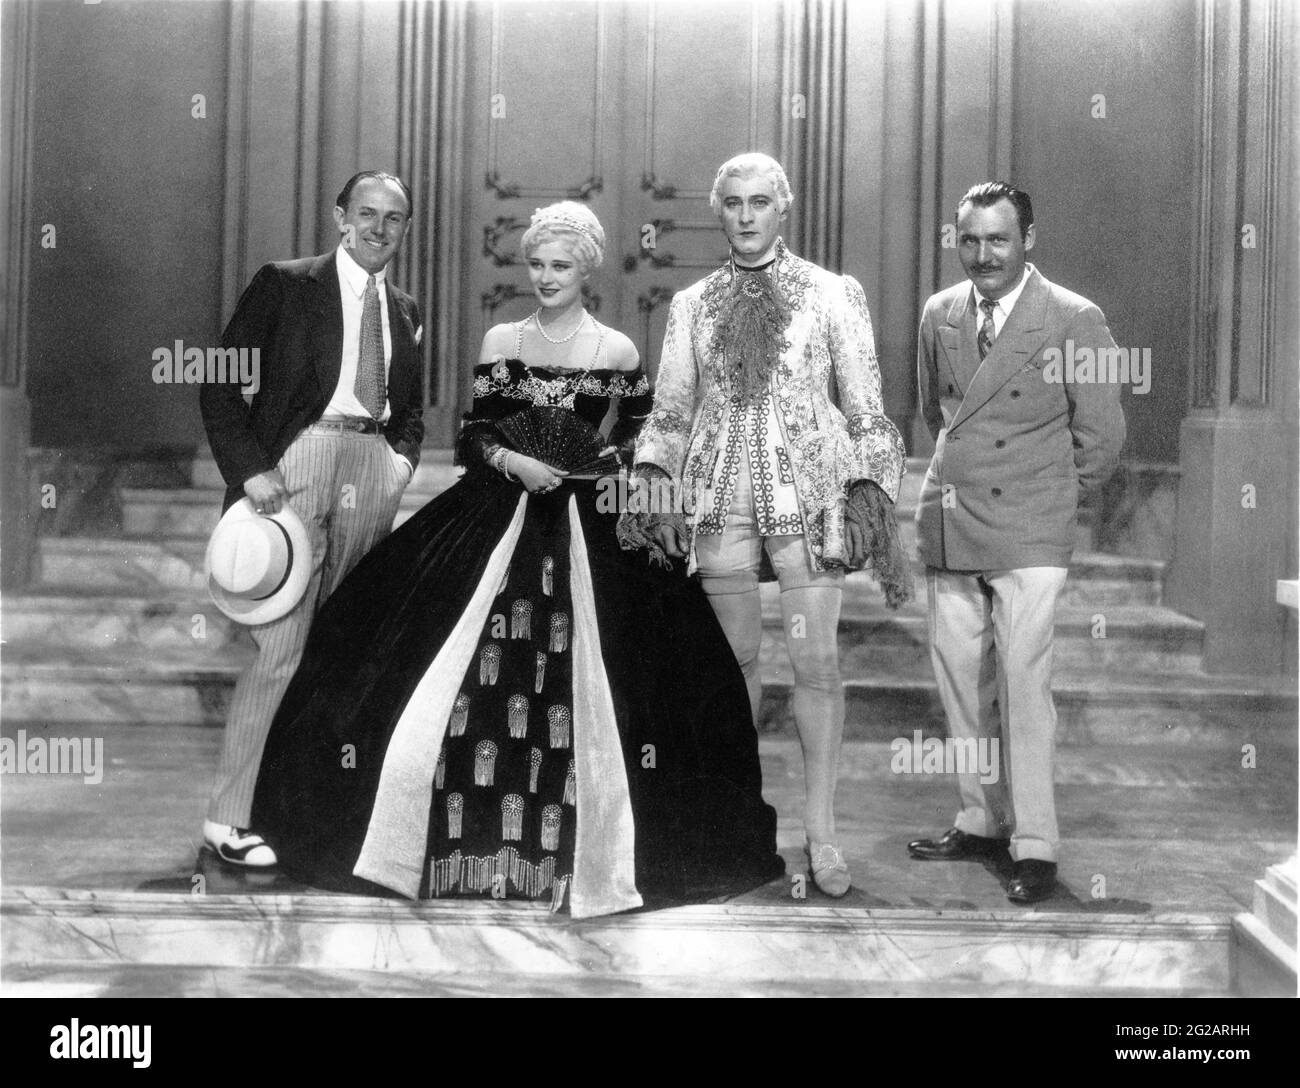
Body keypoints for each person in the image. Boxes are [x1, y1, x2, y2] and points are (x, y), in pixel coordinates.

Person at [250, 201, 785, 917]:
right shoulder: (504, 337)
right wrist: (513, 459)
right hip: (496, 511)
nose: (546, 276)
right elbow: (473, 436)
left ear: (586, 270)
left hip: (585, 523)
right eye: (536, 264)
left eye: (560, 266)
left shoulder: (619, 350)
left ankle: (585, 849)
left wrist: (598, 468)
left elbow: (637, 447)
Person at [620, 153, 910, 898]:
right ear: (718, 212)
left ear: (783, 208)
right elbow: (674, 411)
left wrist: (870, 488)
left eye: (760, 203)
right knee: (732, 669)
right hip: (720, 501)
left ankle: (822, 835)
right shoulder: (693, 304)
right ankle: (735, 825)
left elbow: (870, 408)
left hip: (810, 502)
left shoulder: (830, 293)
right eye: (734, 204)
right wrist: (652, 479)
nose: (747, 217)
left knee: (815, 667)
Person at [907, 181, 1125, 903]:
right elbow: (934, 410)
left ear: (1028, 238)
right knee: (962, 686)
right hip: (953, 516)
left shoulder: (1073, 318)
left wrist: (1052, 501)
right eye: (969, 240)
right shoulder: (940, 312)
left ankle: (1034, 844)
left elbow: (1101, 436)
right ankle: (979, 818)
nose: (982, 255)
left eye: (998, 239)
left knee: (1026, 689)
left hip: (1030, 526)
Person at [198, 171, 424, 867]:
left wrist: (400, 466)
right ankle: (229, 820)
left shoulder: (408, 309)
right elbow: (219, 381)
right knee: (280, 650)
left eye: (394, 219)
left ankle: (304, 814)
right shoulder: (286, 283)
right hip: (296, 467)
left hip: (371, 467)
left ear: (404, 229)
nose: (379, 229)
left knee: (342, 649)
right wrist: (251, 470)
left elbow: (411, 412)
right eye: (366, 214)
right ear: (339, 217)